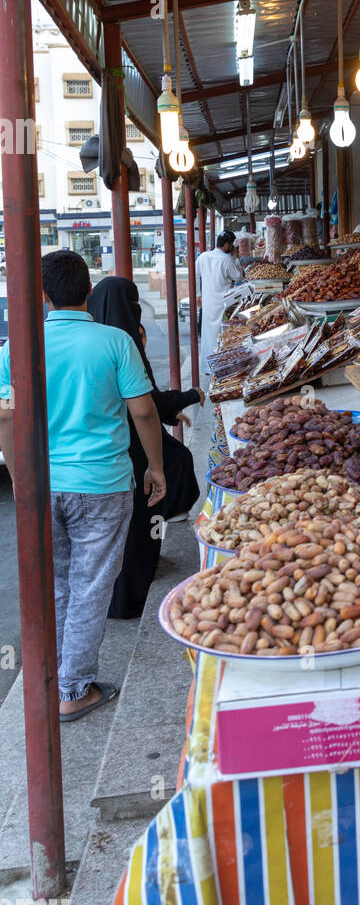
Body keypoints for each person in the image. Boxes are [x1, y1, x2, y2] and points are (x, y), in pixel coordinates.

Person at [0, 251, 166, 721]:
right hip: (102, 485)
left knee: (56, 584)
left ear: (44, 295)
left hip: (43, 486)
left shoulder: (17, 347)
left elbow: (6, 418)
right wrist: (156, 466)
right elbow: (144, 410)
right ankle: (73, 689)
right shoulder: (114, 341)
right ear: (88, 292)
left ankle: (56, 678)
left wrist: (18, 474)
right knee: (91, 585)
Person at [87, 277, 203, 618]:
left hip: (105, 448)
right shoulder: (122, 342)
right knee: (139, 521)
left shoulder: (93, 339)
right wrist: (156, 462)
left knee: (112, 531)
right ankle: (131, 595)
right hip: (134, 446)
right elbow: (144, 404)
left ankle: (114, 598)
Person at [195, 230, 243, 366]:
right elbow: (238, 276)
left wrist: (199, 295)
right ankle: (222, 365)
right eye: (232, 244)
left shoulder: (203, 257)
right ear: (227, 245)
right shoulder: (227, 259)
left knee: (208, 335)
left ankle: (208, 365)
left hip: (208, 303)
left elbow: (195, 277)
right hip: (223, 304)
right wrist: (236, 258)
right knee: (223, 335)